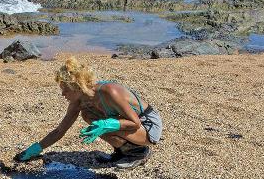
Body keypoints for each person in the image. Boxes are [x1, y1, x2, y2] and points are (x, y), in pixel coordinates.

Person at [15, 57, 163, 169]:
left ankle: (138, 152)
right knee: (88, 116)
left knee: (99, 123)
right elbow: (60, 131)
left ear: (77, 86)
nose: (62, 94)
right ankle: (124, 151)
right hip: (132, 125)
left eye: (65, 89)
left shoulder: (109, 91)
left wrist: (107, 124)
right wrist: (35, 149)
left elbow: (135, 122)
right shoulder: (78, 102)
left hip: (148, 125)